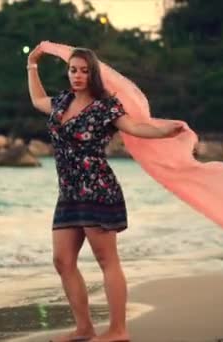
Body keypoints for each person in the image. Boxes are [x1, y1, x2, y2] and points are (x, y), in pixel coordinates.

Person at [27, 43, 184, 342]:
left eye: (85, 71)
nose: (78, 76)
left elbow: (136, 128)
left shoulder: (105, 107)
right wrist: (31, 65)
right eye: (73, 70)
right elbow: (36, 99)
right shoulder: (60, 103)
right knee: (62, 260)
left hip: (97, 188)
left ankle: (118, 330)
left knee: (106, 260)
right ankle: (84, 328)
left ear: (93, 74)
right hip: (69, 193)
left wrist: (165, 130)